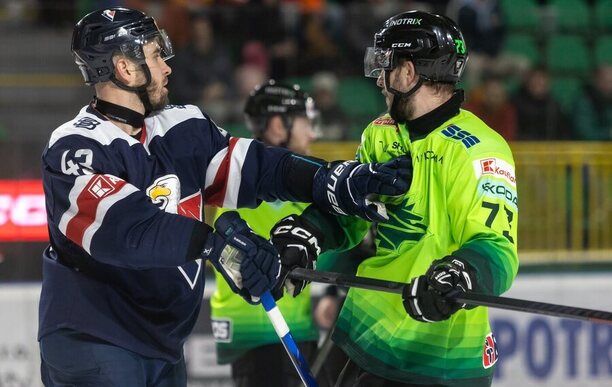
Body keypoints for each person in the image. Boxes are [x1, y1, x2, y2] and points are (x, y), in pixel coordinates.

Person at [38, 7, 412, 387]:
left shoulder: (181, 127)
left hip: (162, 342)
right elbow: (127, 230)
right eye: (154, 55)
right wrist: (216, 245)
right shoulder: (75, 147)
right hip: (97, 339)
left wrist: (330, 179)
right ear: (125, 68)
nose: (167, 67)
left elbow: (259, 168)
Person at [270, 10, 519, 386]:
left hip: (439, 357)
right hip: (366, 336)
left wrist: (460, 276)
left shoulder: (481, 149)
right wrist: (310, 233)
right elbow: (353, 212)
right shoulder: (379, 133)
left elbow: (498, 248)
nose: (379, 81)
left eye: (384, 65)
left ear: (408, 71)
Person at [209, 80, 320, 387]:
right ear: (276, 124)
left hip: (271, 332)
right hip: (268, 334)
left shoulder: (248, 177)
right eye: (305, 122)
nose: (311, 133)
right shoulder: (260, 186)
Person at [511, 66, 570, 140]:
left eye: (542, 79)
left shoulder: (554, 106)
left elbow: (563, 135)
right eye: (535, 79)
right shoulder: (514, 104)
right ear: (527, 81)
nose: (539, 83)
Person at [572, 64, 612, 141]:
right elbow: (586, 134)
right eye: (608, 81)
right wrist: (609, 133)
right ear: (596, 81)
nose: (611, 86)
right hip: (588, 151)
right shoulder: (583, 102)